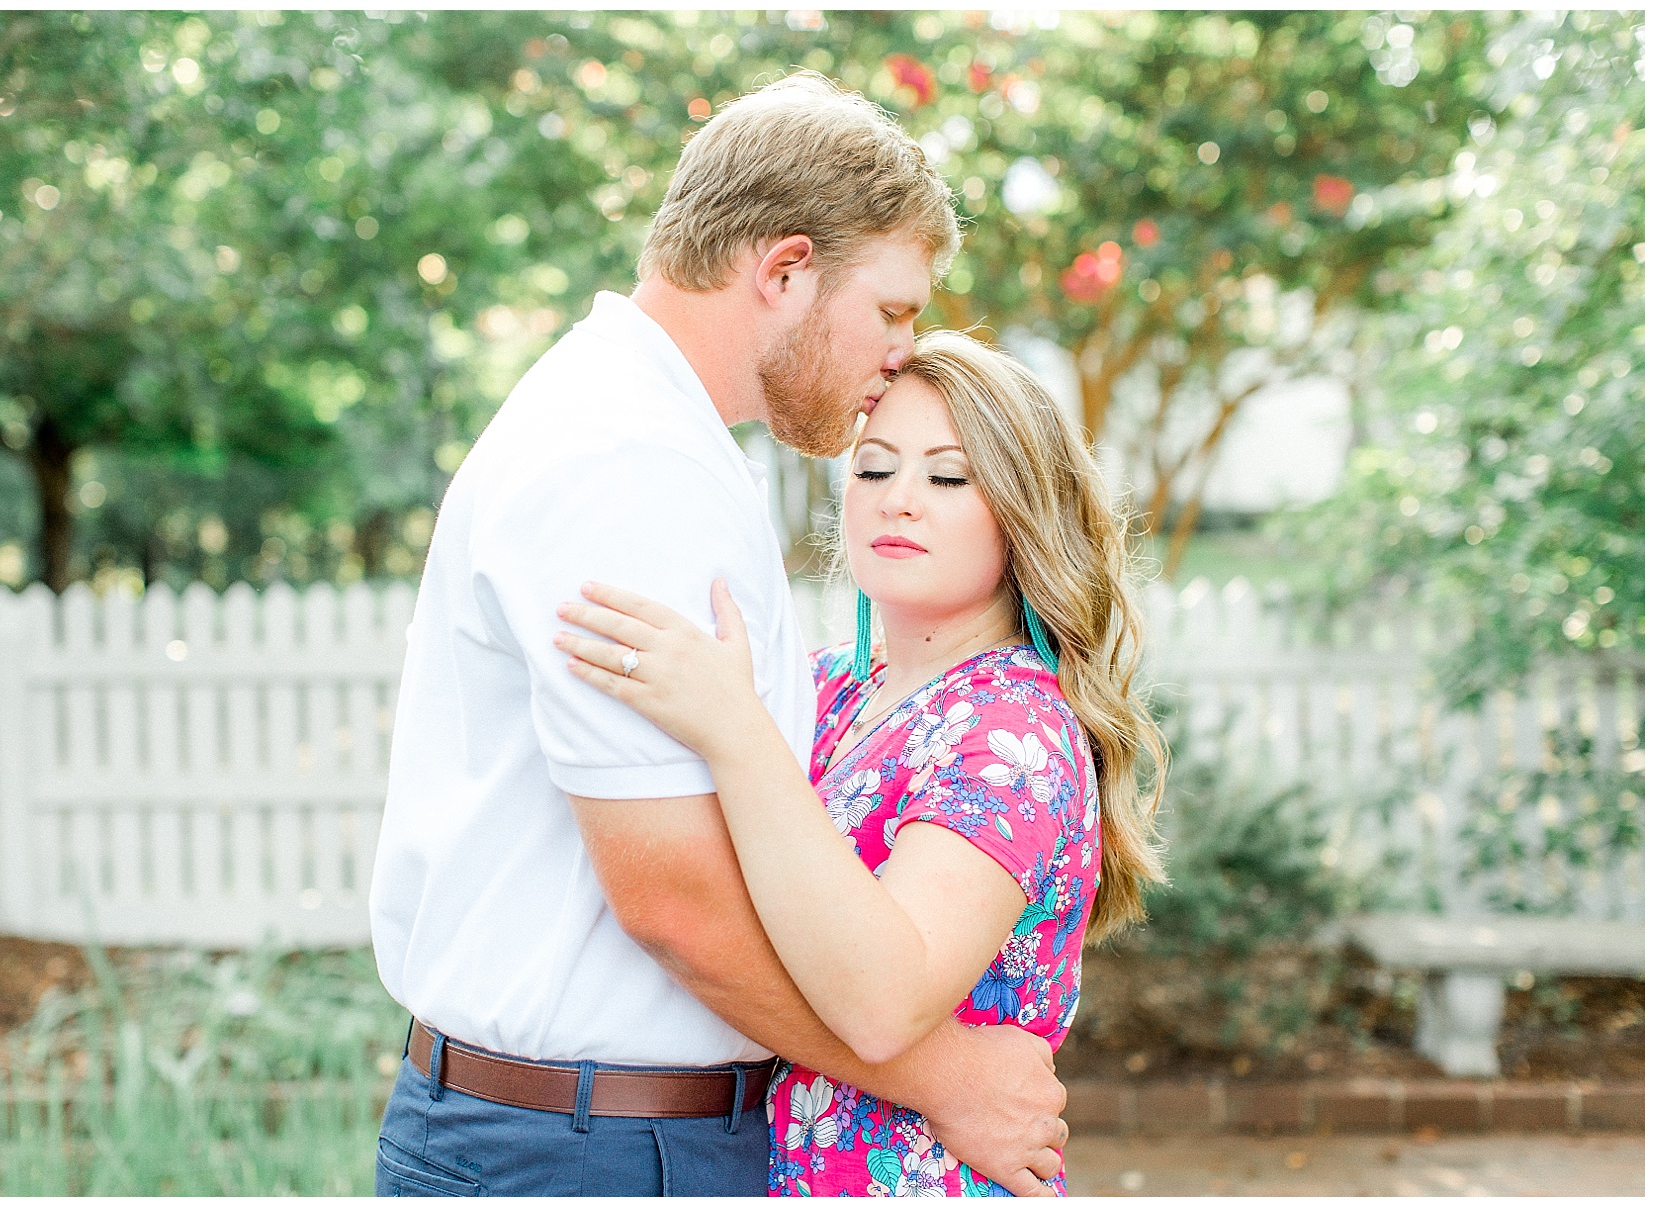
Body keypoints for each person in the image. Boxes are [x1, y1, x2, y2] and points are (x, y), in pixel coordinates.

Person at [369, 73, 1071, 1198]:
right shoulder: (631, 463)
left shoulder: (641, 430)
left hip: (586, 1135)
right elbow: (677, 904)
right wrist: (940, 1074)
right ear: (785, 272)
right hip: (588, 1149)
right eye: (893, 311)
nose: (902, 350)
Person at [553, 330, 1168, 1195]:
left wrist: (733, 726)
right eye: (874, 468)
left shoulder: (1011, 732)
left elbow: (883, 1002)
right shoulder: (828, 687)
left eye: (947, 478)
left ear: (1023, 509)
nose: (898, 500)